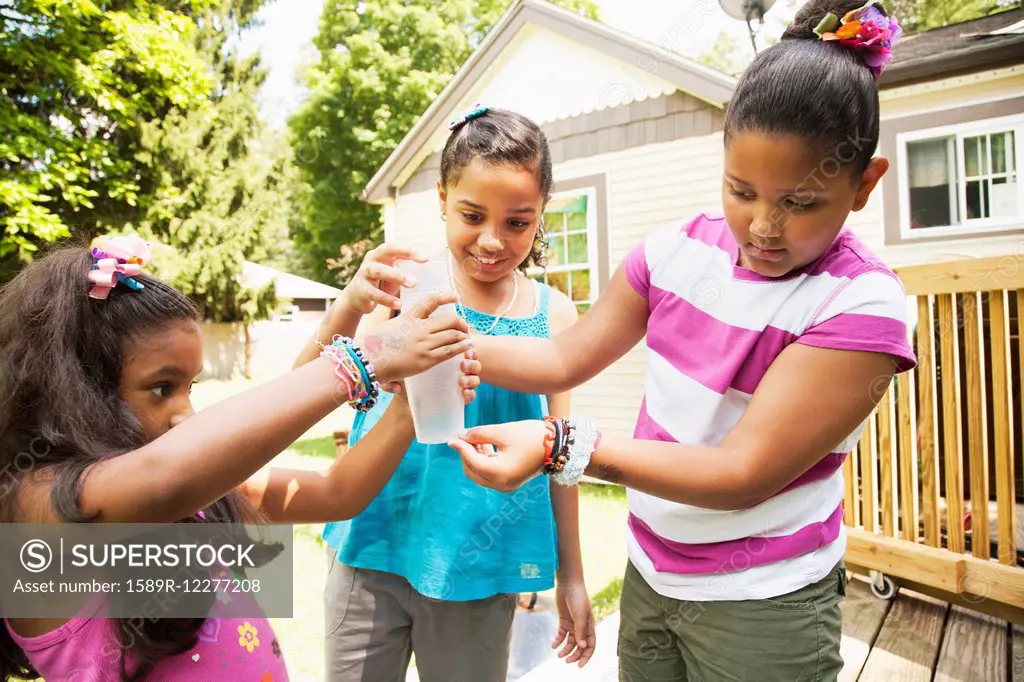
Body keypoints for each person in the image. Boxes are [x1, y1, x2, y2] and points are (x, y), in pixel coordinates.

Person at [447, 3, 915, 680]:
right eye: (741, 190)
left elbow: (742, 473)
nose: (763, 226)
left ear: (864, 183)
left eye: (801, 202)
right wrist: (436, 342)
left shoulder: (861, 303)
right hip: (651, 572)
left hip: (764, 603)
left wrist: (557, 447)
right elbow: (561, 357)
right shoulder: (672, 253)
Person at [0, 235, 479, 681]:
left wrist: (405, 407)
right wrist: (367, 357)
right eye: (162, 388)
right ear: (76, 390)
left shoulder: (203, 500)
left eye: (190, 388)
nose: (185, 413)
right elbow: (166, 477)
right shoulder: (36, 510)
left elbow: (338, 492)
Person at [295, 106, 595, 682]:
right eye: (472, 214)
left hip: (478, 567)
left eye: (517, 222)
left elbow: (562, 458)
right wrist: (349, 306)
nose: (491, 239)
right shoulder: (400, 289)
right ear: (441, 197)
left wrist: (574, 577)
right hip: (369, 546)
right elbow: (299, 385)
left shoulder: (552, 315)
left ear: (541, 216)